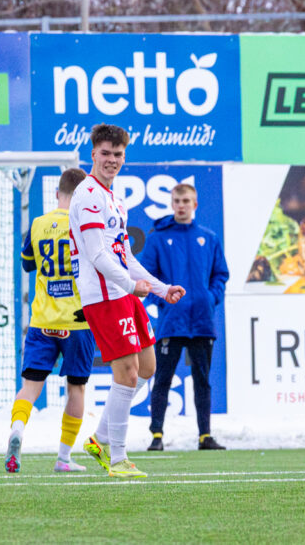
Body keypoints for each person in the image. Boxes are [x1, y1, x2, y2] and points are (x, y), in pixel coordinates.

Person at [69, 124, 185, 479]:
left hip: (123, 291)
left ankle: (100, 438)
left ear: (124, 157)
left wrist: (161, 288)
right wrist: (131, 285)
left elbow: (125, 255)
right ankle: (118, 459)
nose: (112, 160)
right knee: (128, 372)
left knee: (147, 368)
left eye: (117, 154)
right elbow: (97, 255)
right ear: (93, 154)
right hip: (104, 295)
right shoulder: (88, 195)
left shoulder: (114, 199)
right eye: (105, 153)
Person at [5, 167, 94, 473]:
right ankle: (63, 458)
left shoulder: (38, 224)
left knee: (30, 387)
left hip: (42, 320)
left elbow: (28, 264)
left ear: (58, 193)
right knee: (76, 389)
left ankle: (17, 429)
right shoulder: (85, 226)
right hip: (78, 321)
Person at [139, 183, 229, 451]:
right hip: (172, 322)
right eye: (177, 201)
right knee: (162, 378)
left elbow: (220, 275)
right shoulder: (158, 238)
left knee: (202, 380)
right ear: (171, 203)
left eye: (186, 201)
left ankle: (205, 436)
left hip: (202, 321)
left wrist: (209, 298)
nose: (181, 205)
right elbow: (147, 278)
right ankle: (157, 435)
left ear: (195, 204)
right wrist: (163, 302)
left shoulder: (209, 238)